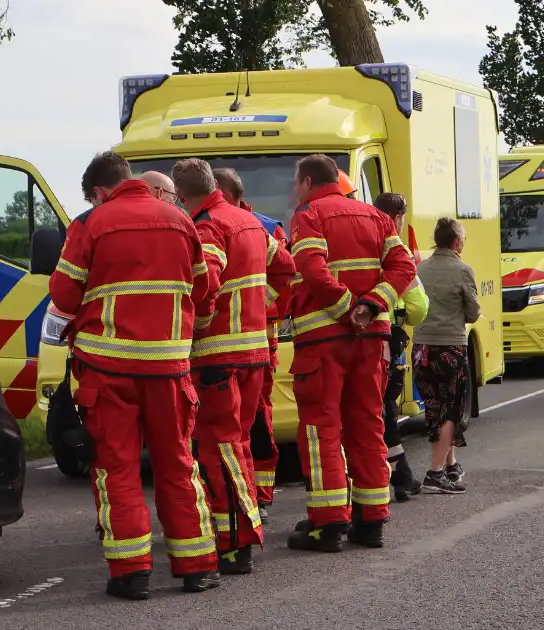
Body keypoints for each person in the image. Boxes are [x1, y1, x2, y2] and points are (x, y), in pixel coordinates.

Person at [49, 151, 220, 599]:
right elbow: (204, 293)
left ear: (100, 192)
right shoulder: (182, 222)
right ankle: (198, 566)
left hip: (109, 370)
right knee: (178, 463)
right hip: (169, 369)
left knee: (117, 468)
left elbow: (64, 294)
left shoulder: (92, 224)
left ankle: (131, 574)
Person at [286, 154, 416, 552]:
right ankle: (371, 520)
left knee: (322, 430)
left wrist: (346, 309)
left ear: (307, 182)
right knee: (368, 426)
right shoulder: (375, 216)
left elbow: (311, 268)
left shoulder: (308, 215)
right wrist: (372, 305)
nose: (295, 191)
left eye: (296, 183)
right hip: (372, 340)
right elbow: (404, 267)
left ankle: (328, 525)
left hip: (324, 343)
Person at [173, 159, 294, 574]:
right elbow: (287, 270)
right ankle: (238, 532)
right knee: (238, 442)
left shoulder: (208, 227)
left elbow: (205, 287)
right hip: (255, 352)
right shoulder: (251, 224)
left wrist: (198, 325)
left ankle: (234, 542)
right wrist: (265, 310)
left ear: (184, 196)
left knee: (219, 447)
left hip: (217, 357)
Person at [211, 167, 293, 516]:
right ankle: (255, 493)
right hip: (256, 342)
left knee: (249, 423)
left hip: (243, 342)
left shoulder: (261, 226)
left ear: (224, 194)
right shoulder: (262, 226)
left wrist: (257, 303)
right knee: (249, 422)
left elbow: (284, 280)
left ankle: (256, 493)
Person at [411, 217, 480, 494]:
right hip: (450, 347)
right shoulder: (463, 270)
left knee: (434, 408)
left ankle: (451, 464)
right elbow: (473, 311)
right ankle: (435, 473)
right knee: (451, 409)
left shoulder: (420, 268)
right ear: (457, 242)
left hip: (422, 349)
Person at [372, 192, 429, 501]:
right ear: (395, 218)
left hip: (351, 337)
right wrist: (402, 311)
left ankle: (400, 475)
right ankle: (396, 477)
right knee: (383, 410)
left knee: (377, 411)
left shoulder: (356, 242)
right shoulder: (397, 249)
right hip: (387, 337)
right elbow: (420, 307)